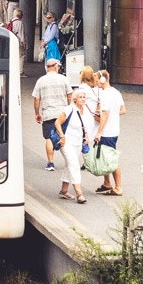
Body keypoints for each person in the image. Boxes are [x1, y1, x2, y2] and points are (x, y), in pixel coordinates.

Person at [55, 74, 99, 204]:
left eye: (84, 97)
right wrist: (62, 136)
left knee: (69, 164)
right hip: (66, 142)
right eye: (80, 97)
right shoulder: (69, 109)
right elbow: (57, 123)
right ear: (74, 99)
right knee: (74, 165)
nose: (83, 99)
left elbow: (85, 126)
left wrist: (87, 137)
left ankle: (63, 191)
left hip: (78, 143)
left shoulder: (86, 111)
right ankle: (79, 193)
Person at [30, 57, 73, 172]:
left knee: (49, 137)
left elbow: (36, 99)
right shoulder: (64, 79)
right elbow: (70, 95)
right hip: (62, 113)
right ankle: (69, 162)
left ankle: (50, 162)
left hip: (48, 113)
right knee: (64, 135)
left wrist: (37, 113)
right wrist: (69, 108)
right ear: (55, 66)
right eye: (58, 66)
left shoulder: (41, 80)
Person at [95, 70, 126, 195]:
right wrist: (112, 113)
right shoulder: (116, 92)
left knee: (112, 159)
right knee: (106, 157)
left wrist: (99, 132)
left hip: (107, 132)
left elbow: (106, 114)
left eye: (97, 80)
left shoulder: (105, 94)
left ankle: (118, 188)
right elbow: (123, 110)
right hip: (114, 130)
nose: (96, 83)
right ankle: (107, 183)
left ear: (103, 80)